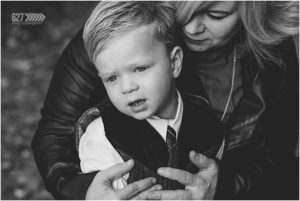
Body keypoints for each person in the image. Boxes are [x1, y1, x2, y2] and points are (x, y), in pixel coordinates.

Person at [31, 1, 299, 200]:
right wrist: (85, 191)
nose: (193, 28)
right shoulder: (120, 34)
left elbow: (278, 152)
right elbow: (54, 132)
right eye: (181, 8)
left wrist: (224, 188)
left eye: (216, 14)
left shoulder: (273, 52)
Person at [77, 1, 223, 198]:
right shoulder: (102, 137)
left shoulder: (205, 119)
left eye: (140, 69)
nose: (127, 87)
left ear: (174, 63)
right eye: (112, 78)